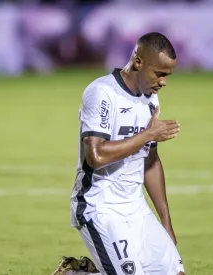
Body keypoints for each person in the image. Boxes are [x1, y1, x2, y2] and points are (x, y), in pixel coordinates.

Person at [59, 32, 185, 275]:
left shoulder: (151, 101)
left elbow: (150, 161)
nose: (163, 82)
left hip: (135, 207)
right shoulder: (102, 93)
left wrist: (165, 221)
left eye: (167, 76)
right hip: (100, 207)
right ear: (138, 62)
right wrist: (148, 135)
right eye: (159, 74)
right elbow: (95, 156)